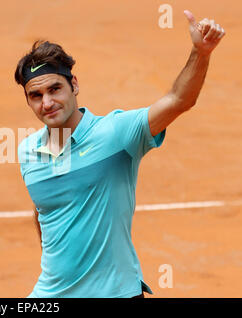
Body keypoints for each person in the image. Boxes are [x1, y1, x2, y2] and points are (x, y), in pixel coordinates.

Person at [15, 10, 225, 298]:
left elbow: (178, 100)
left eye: (55, 89)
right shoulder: (27, 152)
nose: (47, 103)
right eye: (36, 96)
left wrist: (200, 53)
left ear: (74, 85)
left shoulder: (116, 134)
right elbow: (43, 210)